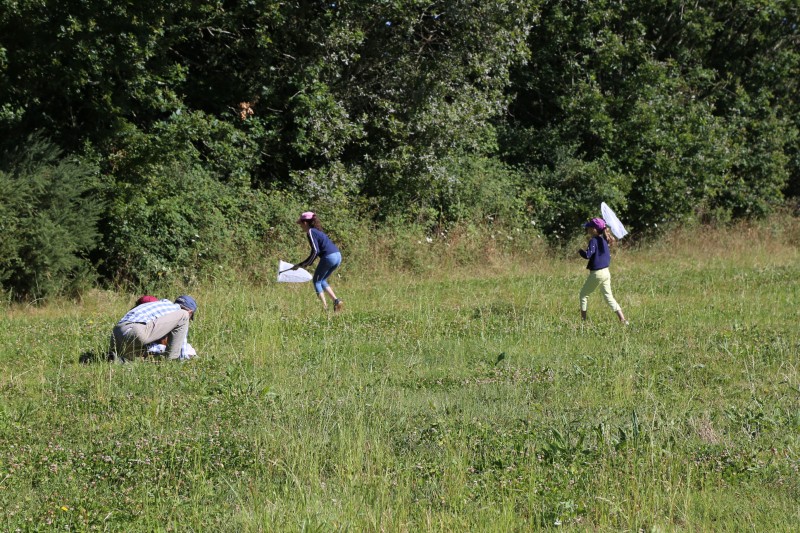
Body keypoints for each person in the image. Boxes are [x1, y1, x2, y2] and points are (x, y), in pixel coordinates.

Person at [109, 295, 198, 362]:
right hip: (135, 330)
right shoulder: (180, 312)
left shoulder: (162, 305)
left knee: (133, 362)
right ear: (190, 312)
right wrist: (183, 358)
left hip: (116, 334)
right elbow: (180, 343)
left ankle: (118, 360)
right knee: (183, 315)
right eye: (190, 318)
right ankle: (171, 362)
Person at [578, 218, 628, 325]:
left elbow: (588, 255)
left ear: (594, 230)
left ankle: (583, 321)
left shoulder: (593, 241)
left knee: (583, 295)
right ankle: (623, 320)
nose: (587, 229)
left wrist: (580, 251)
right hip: (606, 272)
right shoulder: (604, 240)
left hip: (597, 273)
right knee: (609, 297)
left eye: (589, 227)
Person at [291, 211, 344, 311]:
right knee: (322, 280)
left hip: (329, 257)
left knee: (316, 281)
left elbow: (315, 251)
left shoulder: (310, 232)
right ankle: (336, 301)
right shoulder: (318, 231)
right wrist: (305, 263)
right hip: (337, 255)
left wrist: (305, 264)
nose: (300, 226)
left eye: (300, 224)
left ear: (305, 223)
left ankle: (325, 308)